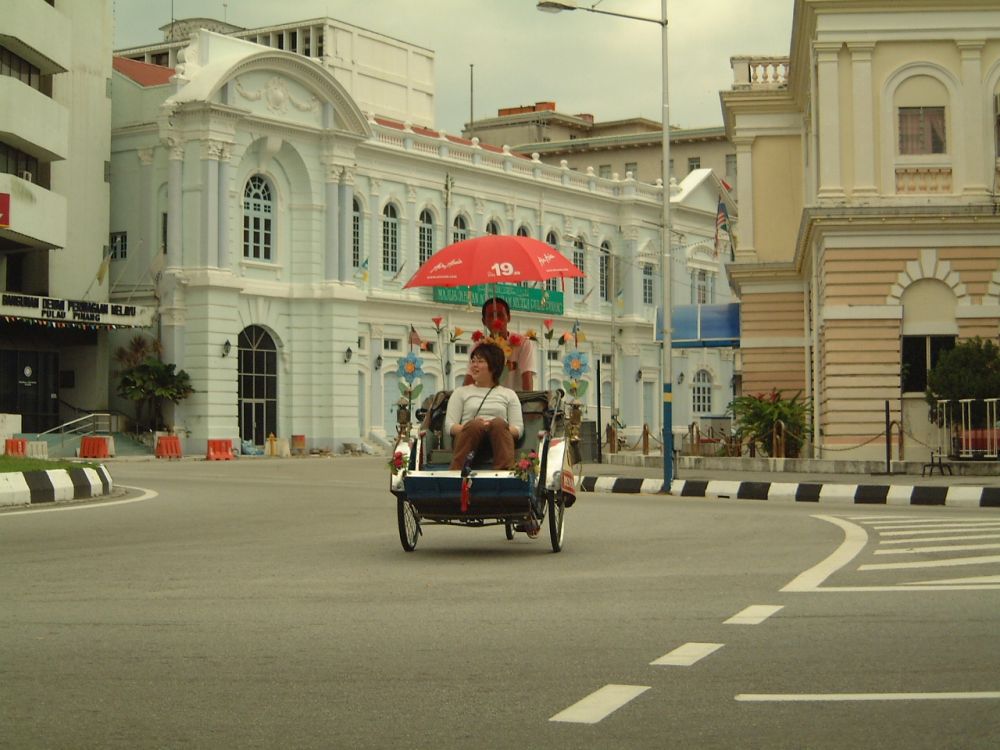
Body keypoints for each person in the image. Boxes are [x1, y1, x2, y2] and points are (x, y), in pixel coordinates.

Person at [445, 342, 523, 470]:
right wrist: (477, 426)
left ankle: (504, 472)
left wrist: (492, 426)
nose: (474, 365)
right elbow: (450, 426)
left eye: (480, 361)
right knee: (475, 424)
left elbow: (518, 429)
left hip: (499, 437)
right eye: (473, 361)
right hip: (468, 437)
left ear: (493, 366)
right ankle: (457, 472)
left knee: (498, 423)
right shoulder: (460, 392)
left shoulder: (509, 394)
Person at [464, 297, 536, 391]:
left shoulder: (523, 344)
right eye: (491, 316)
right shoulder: (478, 347)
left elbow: (527, 378)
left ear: (509, 317)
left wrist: (528, 402)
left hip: (516, 401)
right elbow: (469, 381)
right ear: (484, 321)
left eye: (500, 315)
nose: (496, 320)